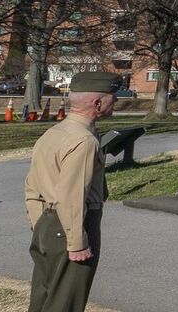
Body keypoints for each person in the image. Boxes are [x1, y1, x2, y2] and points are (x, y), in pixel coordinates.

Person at [24, 71, 119, 312]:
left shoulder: (53, 133)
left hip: (48, 223)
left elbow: (32, 185)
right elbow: (72, 197)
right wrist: (77, 242)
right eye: (112, 97)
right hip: (72, 225)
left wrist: (40, 225)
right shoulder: (84, 140)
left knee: (44, 298)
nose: (115, 101)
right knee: (65, 303)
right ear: (97, 103)